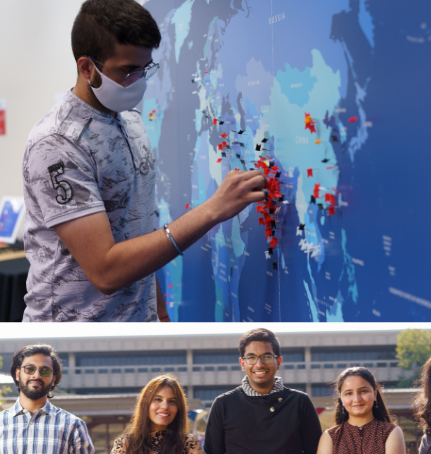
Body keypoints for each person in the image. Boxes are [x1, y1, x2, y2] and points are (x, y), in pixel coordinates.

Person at [20, 0, 267, 322]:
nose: (137, 80)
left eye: (144, 68)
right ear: (86, 67)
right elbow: (106, 271)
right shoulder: (57, 144)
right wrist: (211, 211)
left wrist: (158, 313)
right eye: (126, 70)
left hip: (138, 323)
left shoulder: (130, 121)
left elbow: (135, 233)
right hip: (74, 334)